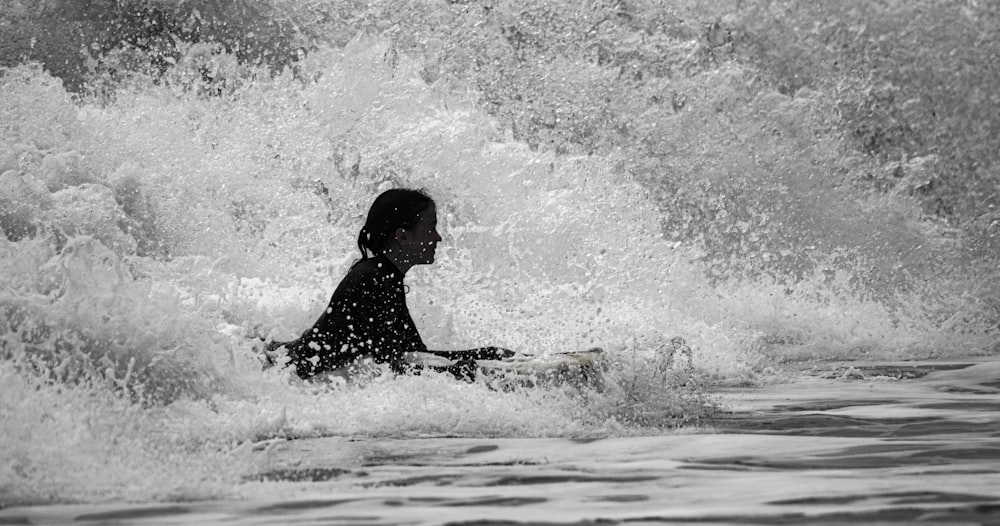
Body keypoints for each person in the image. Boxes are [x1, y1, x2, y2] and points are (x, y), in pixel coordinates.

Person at [266, 188, 512, 381]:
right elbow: (412, 361)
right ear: (402, 236)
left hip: (284, 362)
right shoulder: (376, 280)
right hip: (282, 369)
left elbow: (412, 355)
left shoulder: (380, 274)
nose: (437, 237)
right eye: (430, 227)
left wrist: (489, 357)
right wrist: (492, 360)